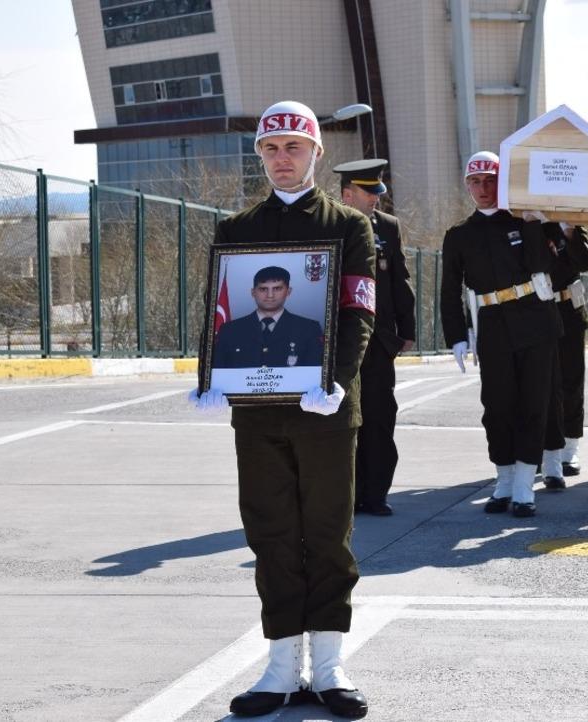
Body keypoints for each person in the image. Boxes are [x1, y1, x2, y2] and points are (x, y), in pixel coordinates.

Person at [193, 100, 375, 719]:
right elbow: (220, 309)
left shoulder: (351, 227)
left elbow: (358, 313)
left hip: (325, 411)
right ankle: (278, 668)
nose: (281, 159)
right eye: (270, 149)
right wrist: (209, 374)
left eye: (293, 147)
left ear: (316, 153)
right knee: (269, 534)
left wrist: (338, 381)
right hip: (259, 415)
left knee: (327, 535)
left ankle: (328, 667)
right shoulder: (235, 229)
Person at [440, 150, 562, 518]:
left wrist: (531, 223)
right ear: (467, 186)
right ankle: (504, 479)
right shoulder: (459, 235)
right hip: (491, 324)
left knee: (533, 403)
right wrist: (458, 335)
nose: (483, 188)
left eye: (490, 180)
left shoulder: (525, 221)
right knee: (496, 406)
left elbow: (542, 265)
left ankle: (525, 485)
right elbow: (450, 289)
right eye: (475, 181)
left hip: (534, 320)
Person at [333, 158, 416, 516]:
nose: (376, 199)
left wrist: (407, 329)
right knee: (344, 418)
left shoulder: (388, 227)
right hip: (340, 339)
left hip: (380, 338)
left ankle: (376, 492)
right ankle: (348, 493)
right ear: (347, 194)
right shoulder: (331, 225)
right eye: (369, 193)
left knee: (381, 416)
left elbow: (400, 279)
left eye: (377, 192)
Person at [540, 222, 588, 487]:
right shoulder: (528, 224)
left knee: (571, 382)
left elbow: (585, 262)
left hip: (569, 312)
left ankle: (570, 448)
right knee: (541, 386)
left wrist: (570, 232)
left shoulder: (569, 222)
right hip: (537, 311)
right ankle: (544, 446)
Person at [212, 265, 324, 369]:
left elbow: (314, 373)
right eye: (263, 289)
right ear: (253, 292)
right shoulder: (230, 330)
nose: (270, 295)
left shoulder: (308, 329)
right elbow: (218, 372)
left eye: (277, 289)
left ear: (288, 291)